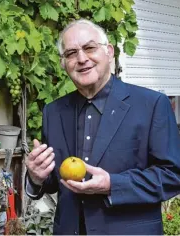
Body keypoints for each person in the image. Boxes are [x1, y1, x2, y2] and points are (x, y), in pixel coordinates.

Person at [25, 19, 180, 235]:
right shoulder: (53, 112)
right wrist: (36, 176)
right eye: (71, 53)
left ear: (109, 52)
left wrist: (113, 185)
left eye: (89, 48)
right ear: (63, 64)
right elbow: (54, 181)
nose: (81, 58)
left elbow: (172, 176)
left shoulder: (151, 105)